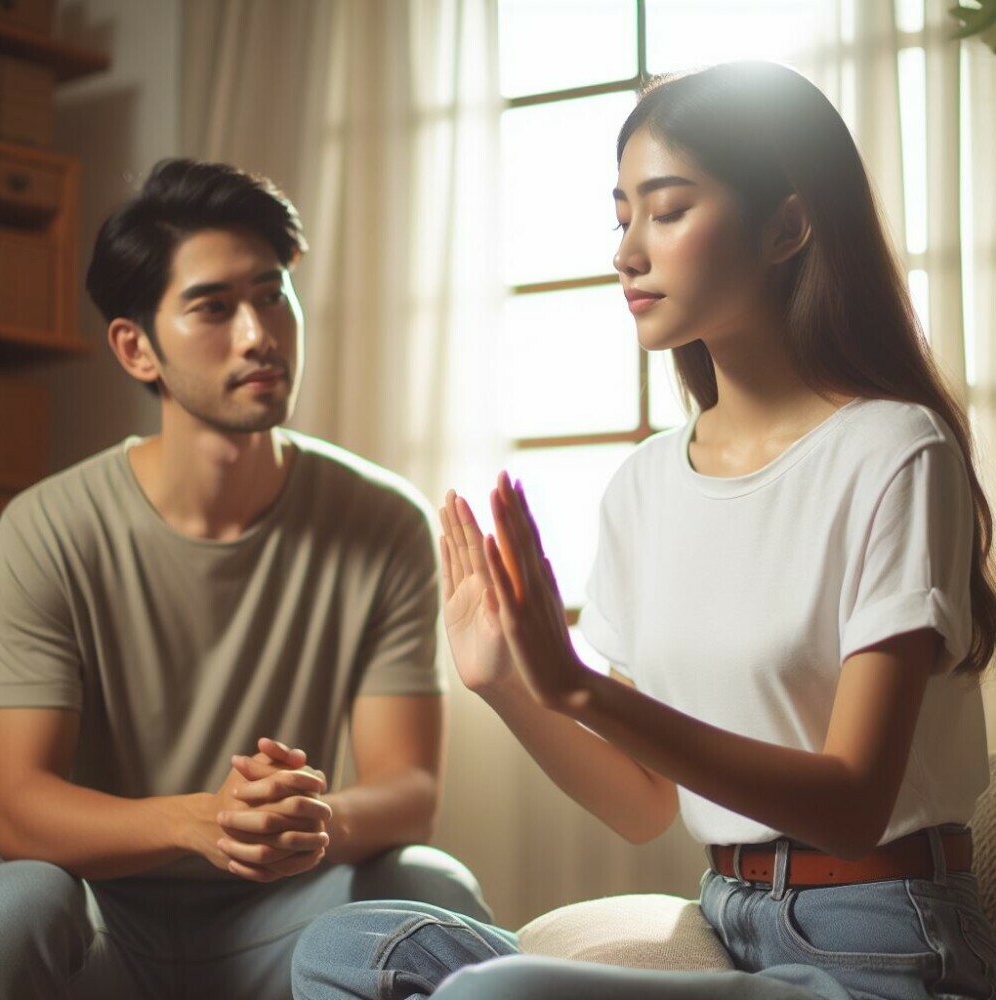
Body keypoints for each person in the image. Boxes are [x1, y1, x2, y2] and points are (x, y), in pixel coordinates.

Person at [291, 60, 996, 1000]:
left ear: (787, 226)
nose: (628, 250)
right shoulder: (645, 487)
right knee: (343, 948)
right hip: (727, 920)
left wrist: (582, 689)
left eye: (666, 211)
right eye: (621, 214)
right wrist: (508, 683)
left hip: (880, 942)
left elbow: (858, 803)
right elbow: (638, 803)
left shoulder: (895, 453)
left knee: (490, 993)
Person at [0, 159, 490, 1000]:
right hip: (107, 923)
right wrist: (201, 821)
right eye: (213, 307)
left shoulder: (383, 520)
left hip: (291, 915)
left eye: (271, 295)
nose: (259, 333)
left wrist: (311, 820)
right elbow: (17, 806)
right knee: (20, 904)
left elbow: (408, 789)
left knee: (430, 885)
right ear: (135, 348)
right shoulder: (47, 530)